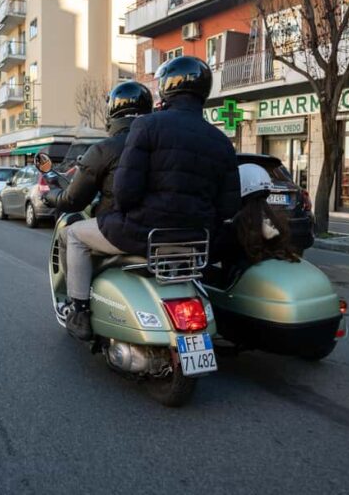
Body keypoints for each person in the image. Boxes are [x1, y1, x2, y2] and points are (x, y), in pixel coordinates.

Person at [64, 56, 241, 340]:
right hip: (197, 241)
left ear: (167, 88)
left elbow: (125, 190)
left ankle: (80, 310)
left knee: (74, 234)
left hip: (145, 234)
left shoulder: (147, 127)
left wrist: (121, 212)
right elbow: (228, 206)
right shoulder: (221, 140)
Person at [42, 81, 154, 340]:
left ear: (112, 112)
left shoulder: (106, 148)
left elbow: (73, 201)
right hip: (166, 230)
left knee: (72, 235)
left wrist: (51, 197)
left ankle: (79, 309)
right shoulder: (161, 145)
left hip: (127, 228)